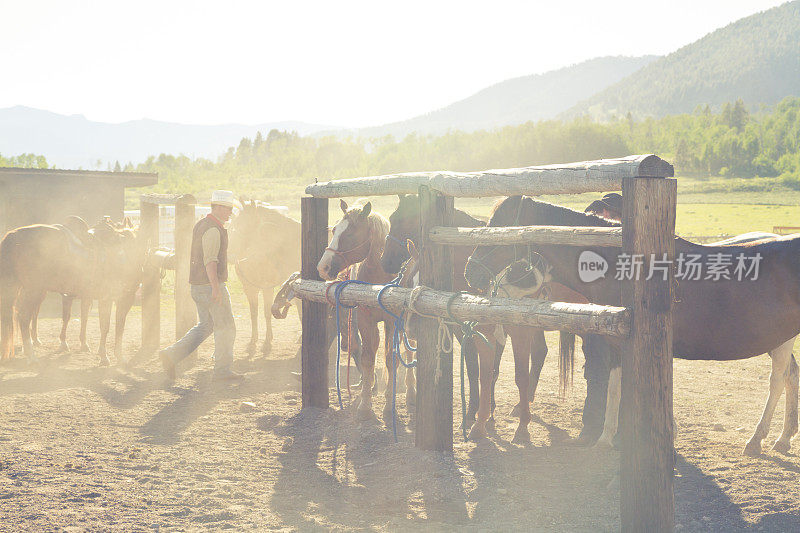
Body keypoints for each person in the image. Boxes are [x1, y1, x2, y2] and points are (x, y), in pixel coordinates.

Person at [160, 190, 243, 382]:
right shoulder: (214, 229)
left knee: (206, 326)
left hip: (198, 285)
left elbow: (208, 257)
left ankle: (171, 355)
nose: (230, 213)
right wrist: (215, 287)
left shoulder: (203, 225)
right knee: (226, 327)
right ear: (219, 208)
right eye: (229, 209)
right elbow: (210, 261)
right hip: (209, 286)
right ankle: (222, 370)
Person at [574, 193, 622, 444]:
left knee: (617, 375)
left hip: (615, 320)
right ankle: (590, 429)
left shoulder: (625, 245)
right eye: (604, 214)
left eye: (612, 215)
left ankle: (620, 432)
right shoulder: (593, 244)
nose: (606, 218)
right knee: (594, 372)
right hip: (596, 318)